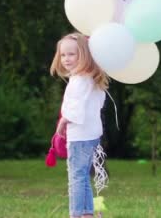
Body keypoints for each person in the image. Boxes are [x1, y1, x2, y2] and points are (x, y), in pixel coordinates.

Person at [50, 32, 108, 218]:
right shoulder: (90, 77)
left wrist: (64, 121)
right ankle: (86, 214)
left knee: (76, 177)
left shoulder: (80, 79)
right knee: (82, 176)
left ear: (83, 54)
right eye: (63, 55)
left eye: (71, 54)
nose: (66, 59)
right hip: (90, 134)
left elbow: (76, 106)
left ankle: (76, 214)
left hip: (80, 135)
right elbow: (96, 103)